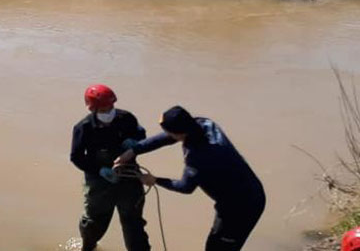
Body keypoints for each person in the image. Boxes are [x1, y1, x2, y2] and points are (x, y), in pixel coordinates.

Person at [116, 105, 265, 251]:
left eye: (169, 131)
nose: (167, 134)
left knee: (218, 248)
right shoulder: (203, 123)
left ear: (180, 133)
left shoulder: (198, 157)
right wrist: (134, 150)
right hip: (248, 188)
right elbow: (166, 138)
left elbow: (185, 187)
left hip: (241, 207)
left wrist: (155, 180)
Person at [70, 84, 151, 251]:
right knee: (93, 223)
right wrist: (100, 171)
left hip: (129, 178)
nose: (109, 111)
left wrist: (135, 142)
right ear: (93, 109)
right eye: (104, 109)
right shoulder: (83, 128)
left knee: (133, 224)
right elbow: (76, 157)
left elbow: (141, 134)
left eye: (111, 106)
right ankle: (88, 247)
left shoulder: (126, 118)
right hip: (99, 182)